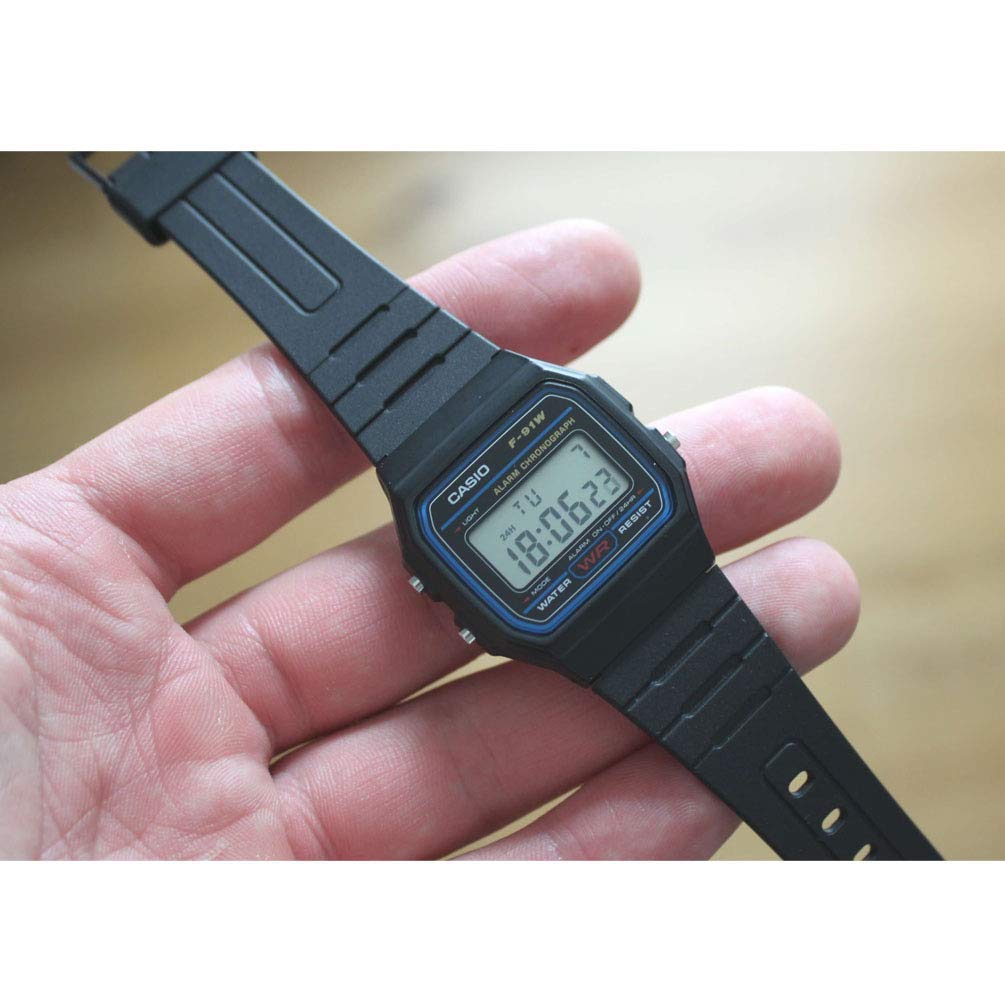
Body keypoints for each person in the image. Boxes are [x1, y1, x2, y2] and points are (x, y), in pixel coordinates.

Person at [0, 220, 856, 859]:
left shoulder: (531, 457)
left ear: (643, 448)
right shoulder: (525, 453)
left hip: (666, 582)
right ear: (438, 584)